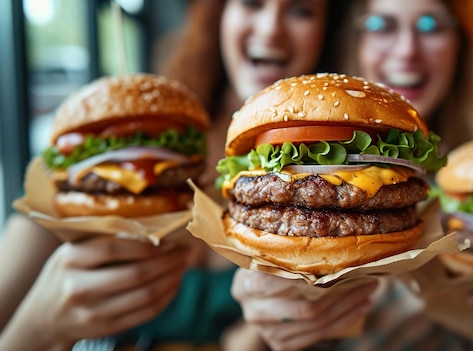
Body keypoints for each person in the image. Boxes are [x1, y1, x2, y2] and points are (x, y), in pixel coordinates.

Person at [0, 0, 353, 349]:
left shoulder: (341, 183)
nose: (270, 29)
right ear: (218, 15)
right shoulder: (100, 163)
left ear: (326, 32)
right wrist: (40, 328)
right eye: (251, 3)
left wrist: (257, 337)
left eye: (300, 10)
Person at [230, 1, 473, 350]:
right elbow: (232, 341)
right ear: (356, 41)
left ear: (461, 44)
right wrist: (262, 327)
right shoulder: (294, 109)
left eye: (431, 25)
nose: (407, 50)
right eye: (381, 25)